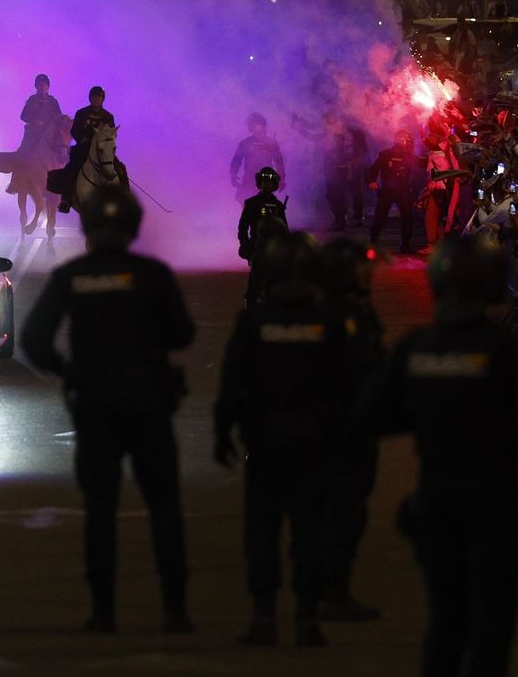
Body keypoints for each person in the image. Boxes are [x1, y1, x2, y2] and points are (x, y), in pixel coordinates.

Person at [359, 237, 518, 677]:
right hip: (495, 501)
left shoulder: (416, 348)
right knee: (493, 625)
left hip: (438, 498)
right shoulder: (506, 351)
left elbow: (370, 417)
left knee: (445, 621)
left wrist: (427, 413)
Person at [21, 185, 196, 635]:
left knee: (100, 509)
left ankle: (103, 611)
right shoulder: (153, 274)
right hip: (149, 402)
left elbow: (34, 340)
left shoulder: (71, 276)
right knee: (164, 505)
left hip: (94, 404)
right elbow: (182, 334)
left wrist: (68, 370)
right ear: (134, 225)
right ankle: (175, 610)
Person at [213, 233, 352, 648]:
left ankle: (264, 617)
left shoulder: (254, 322)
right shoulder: (330, 322)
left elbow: (232, 383)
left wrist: (223, 433)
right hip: (316, 441)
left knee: (262, 530)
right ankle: (307, 618)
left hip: (265, 440)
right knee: (310, 529)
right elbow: (348, 384)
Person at [318, 238, 385, 622]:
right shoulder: (334, 317)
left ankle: (327, 587)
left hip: (351, 430)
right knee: (339, 514)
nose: (367, 276)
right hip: (337, 431)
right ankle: (330, 590)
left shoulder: (357, 313)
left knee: (346, 512)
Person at [7, 73, 66, 236]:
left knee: (62, 155)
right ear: (36, 86)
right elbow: (23, 116)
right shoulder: (31, 100)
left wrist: (51, 124)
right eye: (39, 84)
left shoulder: (53, 102)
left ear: (48, 86)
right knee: (21, 153)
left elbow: (59, 117)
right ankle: (14, 182)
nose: (42, 87)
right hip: (32, 135)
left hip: (49, 137)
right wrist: (35, 121)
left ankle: (64, 188)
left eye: (44, 84)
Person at [56, 86, 116, 212]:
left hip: (102, 151)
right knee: (70, 169)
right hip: (83, 149)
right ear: (90, 98)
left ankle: (122, 199)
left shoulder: (108, 117)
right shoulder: (81, 113)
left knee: (120, 168)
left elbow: (111, 134)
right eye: (94, 97)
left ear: (103, 99)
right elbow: (74, 130)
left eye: (99, 97)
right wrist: (81, 139)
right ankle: (65, 200)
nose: (96, 99)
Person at [237, 167, 289, 306]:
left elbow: (285, 229)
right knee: (254, 287)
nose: (267, 185)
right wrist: (247, 247)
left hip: (276, 250)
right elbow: (242, 228)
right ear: (259, 183)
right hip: (257, 248)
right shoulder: (251, 203)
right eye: (265, 182)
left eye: (270, 182)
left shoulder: (278, 205)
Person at [367, 130, 421, 254]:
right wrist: (371, 180)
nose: (410, 143)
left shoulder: (409, 156)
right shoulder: (385, 154)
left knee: (407, 218)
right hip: (387, 191)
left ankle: (405, 244)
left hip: (403, 192)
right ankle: (372, 242)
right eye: (408, 141)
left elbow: (422, 163)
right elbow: (373, 169)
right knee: (379, 218)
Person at [230, 113, 285, 203]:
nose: (256, 128)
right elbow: (236, 160)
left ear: (263, 125)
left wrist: (282, 179)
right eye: (253, 125)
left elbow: (279, 162)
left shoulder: (272, 143)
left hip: (265, 182)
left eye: (257, 125)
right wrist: (233, 174)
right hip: (249, 180)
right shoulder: (245, 143)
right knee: (245, 204)